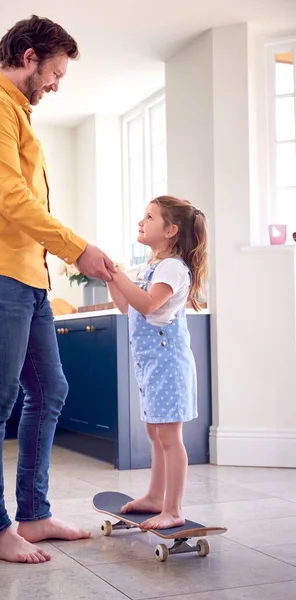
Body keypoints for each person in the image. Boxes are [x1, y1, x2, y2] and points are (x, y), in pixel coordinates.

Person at [0, 16, 115, 564]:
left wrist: (53, 259)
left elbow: (12, 204)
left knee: (49, 391)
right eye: (55, 72)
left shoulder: (14, 112)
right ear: (29, 55)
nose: (57, 83)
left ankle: (34, 515)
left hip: (25, 275)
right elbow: (12, 198)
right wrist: (77, 249)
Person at [107, 196, 208, 529]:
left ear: (171, 231)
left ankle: (173, 508)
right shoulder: (151, 266)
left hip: (168, 364)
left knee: (169, 437)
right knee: (155, 432)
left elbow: (149, 305)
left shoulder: (173, 268)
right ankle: (154, 497)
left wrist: (118, 274)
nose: (141, 222)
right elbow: (127, 306)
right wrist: (111, 276)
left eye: (149, 217)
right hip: (151, 364)